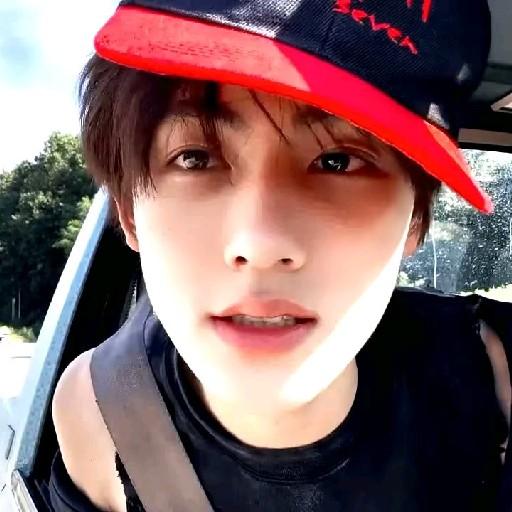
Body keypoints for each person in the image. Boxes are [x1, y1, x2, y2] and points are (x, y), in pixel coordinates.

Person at [48, 1, 512, 511]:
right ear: (129, 212)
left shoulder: (497, 375)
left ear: (416, 219)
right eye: (195, 158)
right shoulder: (98, 409)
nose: (260, 243)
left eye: (338, 161)